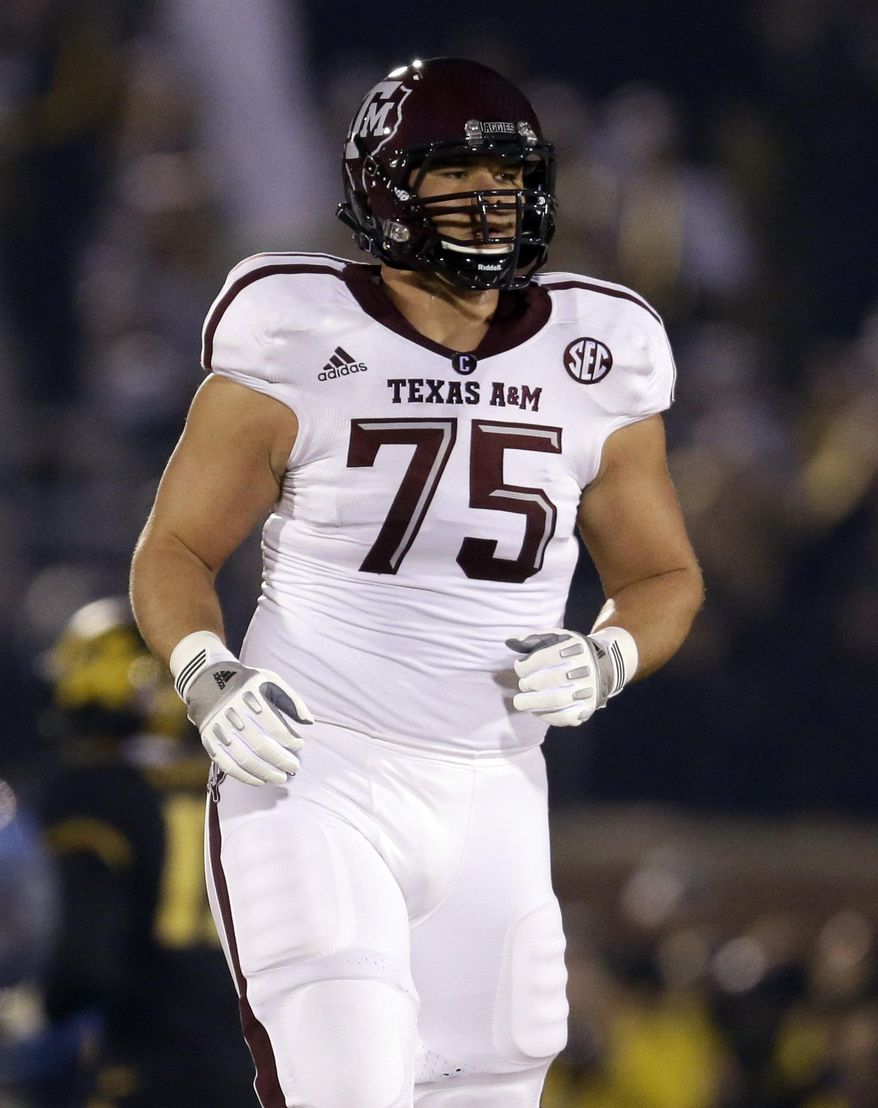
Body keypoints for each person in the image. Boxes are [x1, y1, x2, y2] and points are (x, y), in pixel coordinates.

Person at [129, 56, 704, 1108]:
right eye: (459, 175)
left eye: (512, 178)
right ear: (390, 187)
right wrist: (206, 670)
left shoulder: (596, 351)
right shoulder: (297, 332)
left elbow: (663, 574)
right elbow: (172, 550)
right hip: (315, 773)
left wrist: (608, 651)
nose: (494, 203)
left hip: (495, 789)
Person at [33, 597, 254, 1107]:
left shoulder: (96, 790)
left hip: (142, 1070)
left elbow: (83, 961)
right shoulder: (245, 783)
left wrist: (49, 1012)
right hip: (253, 1071)